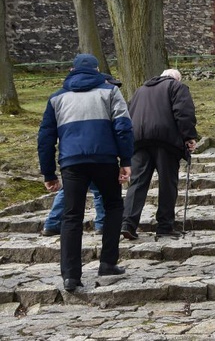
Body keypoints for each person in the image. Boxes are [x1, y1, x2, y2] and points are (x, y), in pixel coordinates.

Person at [37, 54, 133, 292]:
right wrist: (126, 160)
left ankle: (70, 275)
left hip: (71, 163)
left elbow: (45, 139)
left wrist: (48, 173)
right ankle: (108, 263)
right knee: (113, 207)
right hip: (104, 159)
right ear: (97, 70)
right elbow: (123, 127)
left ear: (72, 69)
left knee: (71, 216)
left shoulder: (56, 98)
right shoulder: (110, 92)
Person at [42, 72, 124, 237]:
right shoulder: (101, 101)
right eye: (111, 84)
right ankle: (102, 223)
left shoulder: (74, 100)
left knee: (69, 192)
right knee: (99, 191)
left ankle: (53, 223)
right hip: (98, 155)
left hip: (75, 156)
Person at [121, 69, 198, 240]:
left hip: (139, 141)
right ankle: (165, 225)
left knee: (138, 183)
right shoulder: (177, 87)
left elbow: (129, 111)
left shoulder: (140, 90)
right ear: (176, 78)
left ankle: (128, 223)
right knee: (167, 183)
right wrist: (189, 137)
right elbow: (183, 113)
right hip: (166, 141)